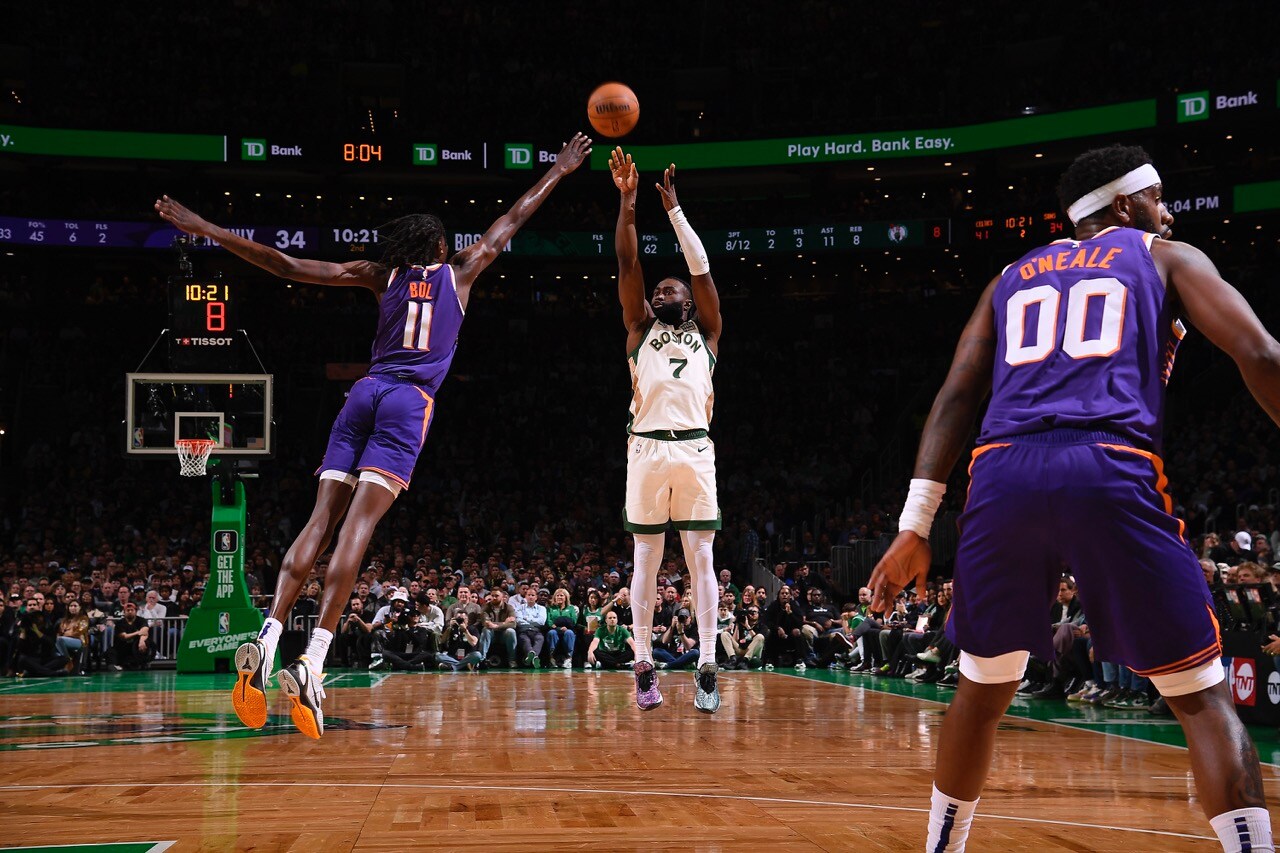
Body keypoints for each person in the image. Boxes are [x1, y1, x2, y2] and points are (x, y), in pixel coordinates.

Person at [868, 145, 1274, 853]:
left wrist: (915, 525)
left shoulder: (1009, 276)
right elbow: (1262, 356)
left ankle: (942, 847)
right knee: (1201, 698)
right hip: (1109, 460)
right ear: (1124, 207)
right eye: (1158, 196)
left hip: (1001, 472)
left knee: (982, 687)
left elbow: (959, 391)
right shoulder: (1164, 256)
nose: (1169, 211)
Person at [156, 132, 592, 738]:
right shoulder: (462, 271)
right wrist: (560, 168)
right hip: (408, 403)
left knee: (319, 521)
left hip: (364, 392)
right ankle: (312, 661)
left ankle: (270, 632)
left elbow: (284, 265)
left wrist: (209, 229)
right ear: (441, 246)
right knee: (358, 529)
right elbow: (512, 218)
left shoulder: (378, 275)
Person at [609, 148, 724, 714]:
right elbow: (629, 263)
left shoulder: (709, 332)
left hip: (695, 449)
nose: (663, 293)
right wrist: (628, 203)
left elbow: (700, 270)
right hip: (646, 450)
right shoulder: (639, 328)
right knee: (645, 562)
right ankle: (645, 665)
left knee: (701, 559)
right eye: (660, 292)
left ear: (689, 304)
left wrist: (675, 212)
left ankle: (706, 665)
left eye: (671, 291)